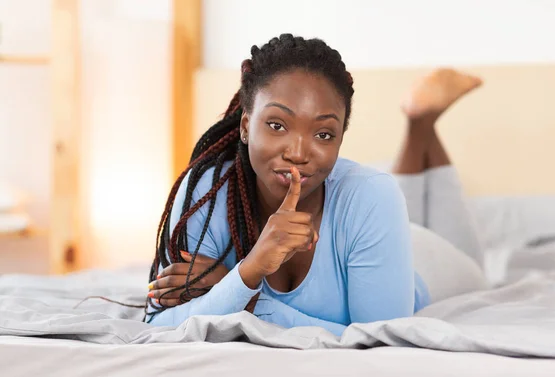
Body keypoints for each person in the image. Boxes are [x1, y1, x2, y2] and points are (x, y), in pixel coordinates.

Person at [145, 34, 484, 336]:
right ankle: (420, 123)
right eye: (277, 125)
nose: (297, 153)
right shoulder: (208, 189)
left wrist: (240, 290)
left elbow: (382, 340)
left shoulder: (372, 196)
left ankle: (420, 124)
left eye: (323, 134)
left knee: (474, 264)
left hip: (429, 263)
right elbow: (158, 324)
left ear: (340, 138)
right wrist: (248, 273)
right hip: (372, 219)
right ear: (246, 125)